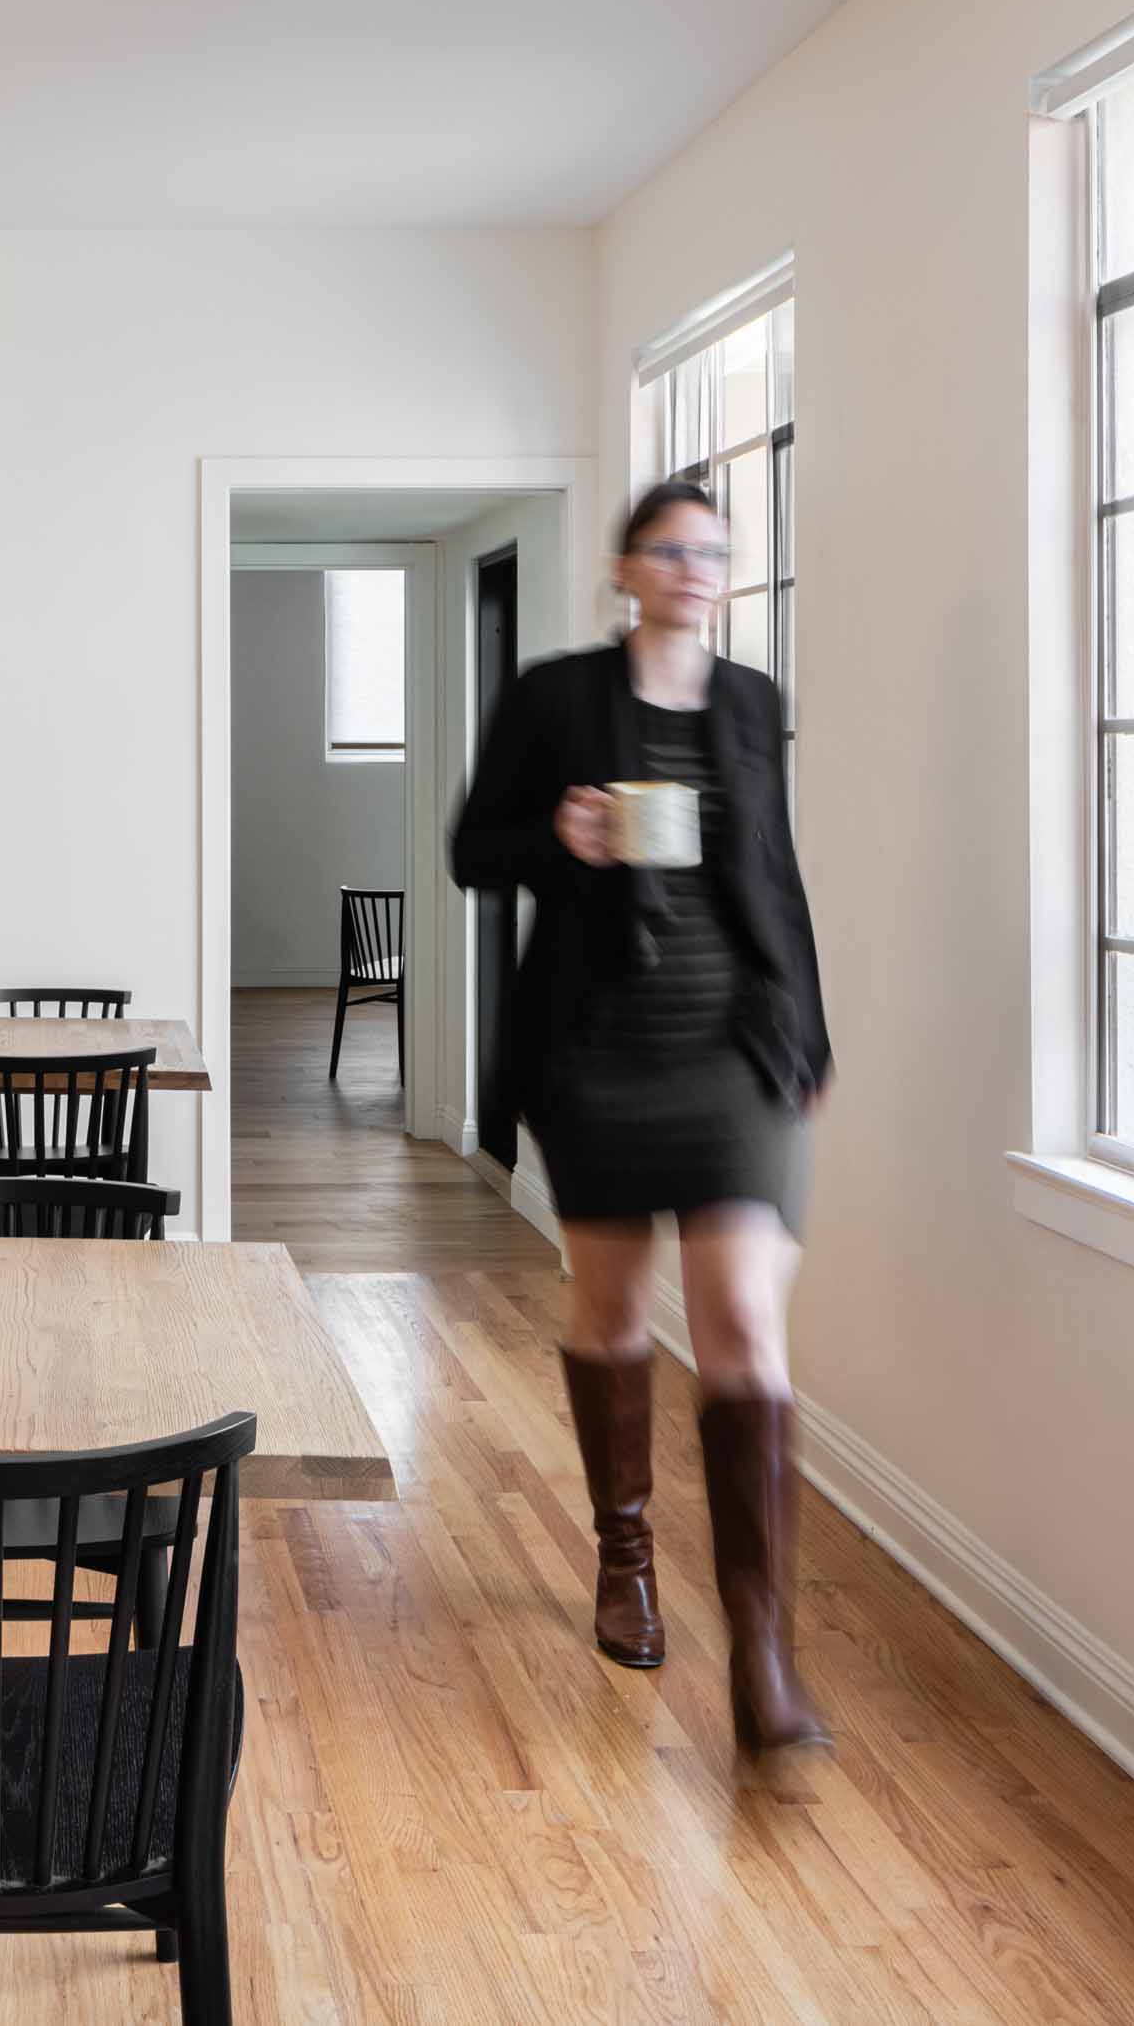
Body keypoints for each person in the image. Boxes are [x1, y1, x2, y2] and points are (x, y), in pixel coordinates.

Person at [450, 477, 835, 1753]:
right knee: (612, 1311)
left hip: (735, 1049)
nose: (694, 568)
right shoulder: (558, 697)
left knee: (741, 1324)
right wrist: (563, 835)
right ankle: (626, 1558)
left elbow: (773, 867)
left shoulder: (751, 703)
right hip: (598, 1047)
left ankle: (763, 1655)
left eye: (714, 551)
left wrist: (809, 1029)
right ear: (626, 567)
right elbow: (473, 848)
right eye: (671, 549)